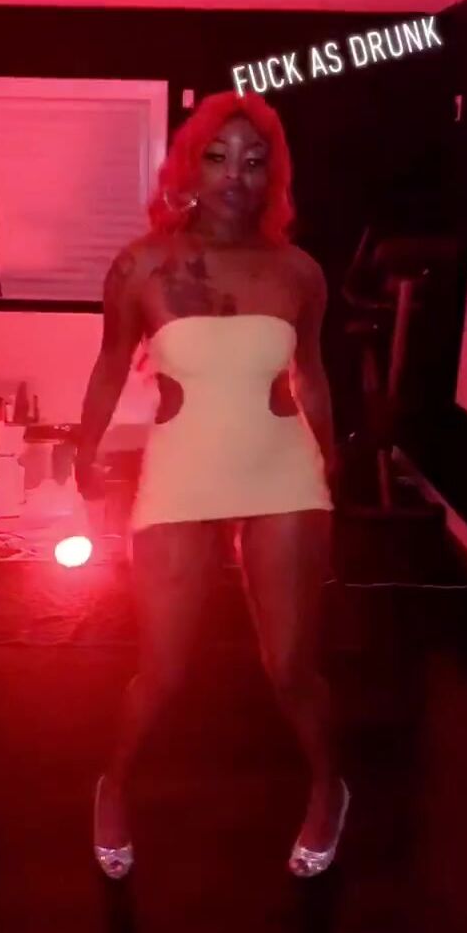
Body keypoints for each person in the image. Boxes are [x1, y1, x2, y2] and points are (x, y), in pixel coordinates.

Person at [75, 90, 350, 881]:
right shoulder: (142, 264)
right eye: (218, 157)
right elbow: (109, 363)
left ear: (273, 176)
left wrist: (328, 454)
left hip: (280, 468)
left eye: (255, 161)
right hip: (182, 469)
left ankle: (329, 785)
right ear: (189, 167)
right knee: (163, 667)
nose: (236, 175)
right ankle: (114, 782)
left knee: (289, 665)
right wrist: (84, 448)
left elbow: (311, 372)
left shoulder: (299, 271)